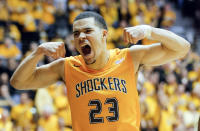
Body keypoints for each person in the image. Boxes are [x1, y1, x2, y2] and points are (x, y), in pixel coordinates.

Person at [10, 11, 190, 131]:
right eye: (76, 34)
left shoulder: (129, 57)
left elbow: (182, 48)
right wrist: (38, 51)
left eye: (88, 31)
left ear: (104, 34)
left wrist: (149, 31)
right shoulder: (67, 66)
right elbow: (18, 82)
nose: (81, 37)